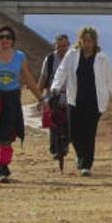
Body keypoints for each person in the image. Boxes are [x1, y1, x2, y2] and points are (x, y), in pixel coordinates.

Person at [51, 26, 112, 176]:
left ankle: (87, 164)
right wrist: (55, 87)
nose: (87, 44)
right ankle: (80, 155)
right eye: (84, 40)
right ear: (80, 41)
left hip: (94, 101)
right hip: (74, 99)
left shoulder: (102, 58)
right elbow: (62, 71)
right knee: (74, 133)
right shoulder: (72, 55)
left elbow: (111, 80)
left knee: (89, 132)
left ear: (95, 42)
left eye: (90, 41)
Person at [0, 26, 43, 183]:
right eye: (1, 37)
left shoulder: (19, 56)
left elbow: (28, 79)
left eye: (8, 37)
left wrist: (41, 98)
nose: (5, 40)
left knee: (7, 135)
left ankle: (3, 168)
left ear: (12, 41)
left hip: (11, 100)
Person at [38, 34, 71, 165]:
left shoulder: (73, 58)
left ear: (68, 45)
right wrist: (39, 97)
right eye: (59, 46)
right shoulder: (50, 59)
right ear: (55, 46)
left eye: (64, 46)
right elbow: (43, 78)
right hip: (53, 96)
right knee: (54, 124)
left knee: (67, 124)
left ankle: (64, 145)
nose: (62, 49)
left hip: (69, 96)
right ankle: (56, 150)